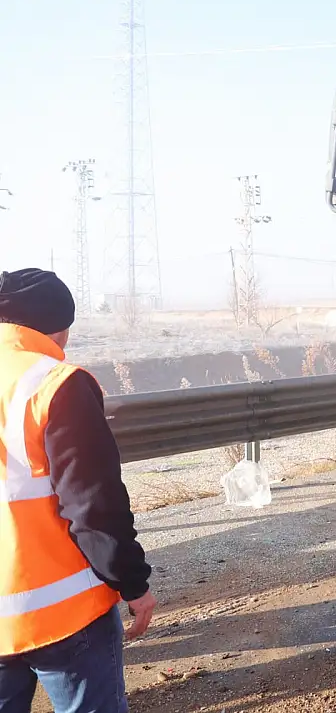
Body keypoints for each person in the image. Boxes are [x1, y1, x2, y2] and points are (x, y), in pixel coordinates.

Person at [0, 269, 154, 713]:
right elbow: (93, 505)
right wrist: (132, 582)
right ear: (59, 326)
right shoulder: (55, 383)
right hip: (62, 615)